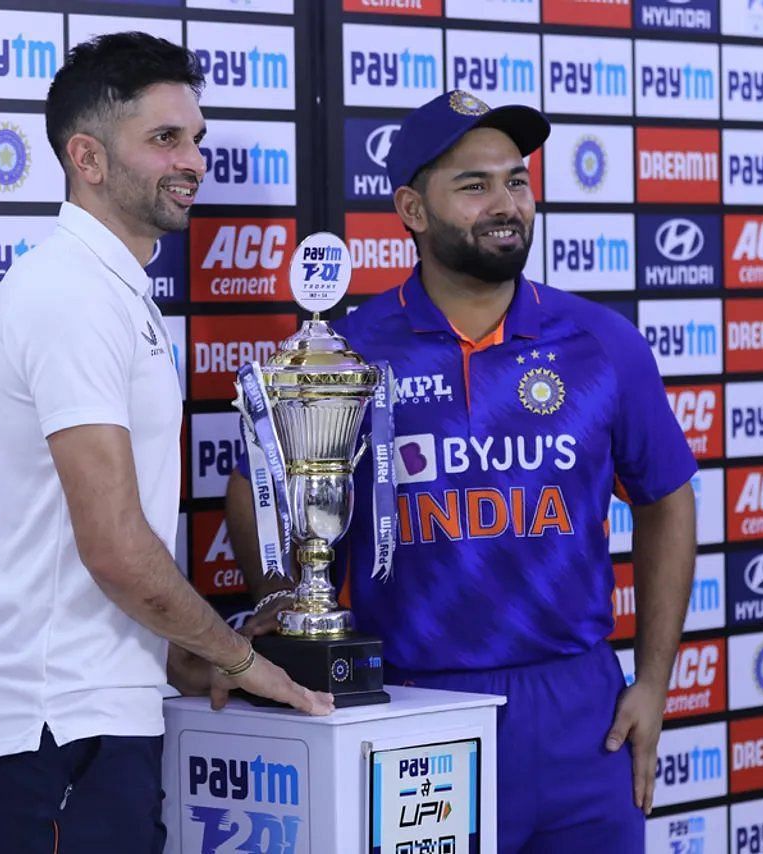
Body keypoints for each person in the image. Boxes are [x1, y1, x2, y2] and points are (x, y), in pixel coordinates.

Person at [226, 89, 698, 853]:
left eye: (515, 180)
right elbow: (255, 487)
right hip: (416, 703)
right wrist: (284, 600)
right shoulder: (348, 351)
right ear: (413, 209)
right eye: (473, 187)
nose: (504, 204)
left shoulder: (602, 343)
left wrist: (653, 681)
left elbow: (669, 500)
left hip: (581, 708)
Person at [0, 33, 332, 854]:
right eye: (165, 139)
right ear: (86, 156)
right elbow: (117, 549)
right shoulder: (70, 295)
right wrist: (238, 660)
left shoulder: (115, 291)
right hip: (56, 721)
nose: (193, 160)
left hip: (96, 711)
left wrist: (176, 657)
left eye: (197, 138)